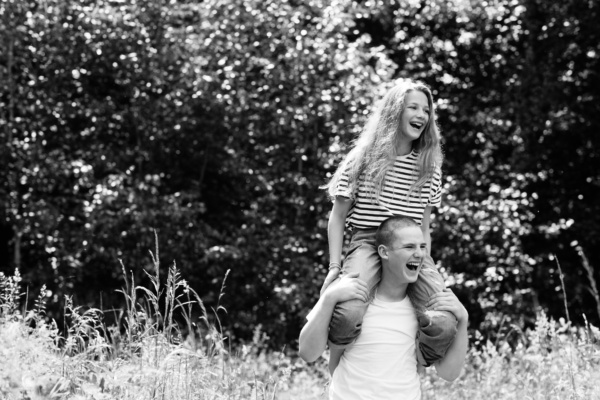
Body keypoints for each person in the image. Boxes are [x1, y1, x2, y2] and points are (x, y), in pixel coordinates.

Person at [321, 79, 457, 371]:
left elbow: (424, 226)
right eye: (413, 107)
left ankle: (414, 364)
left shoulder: (429, 166)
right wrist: (335, 268)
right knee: (347, 315)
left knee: (445, 321)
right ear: (395, 111)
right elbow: (338, 215)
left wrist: (424, 260)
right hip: (368, 242)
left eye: (426, 110)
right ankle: (335, 365)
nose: (422, 115)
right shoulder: (363, 159)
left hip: (409, 247)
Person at [299, 216, 469, 399]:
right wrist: (328, 298)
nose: (420, 254)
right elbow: (308, 353)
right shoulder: (350, 298)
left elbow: (449, 374)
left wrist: (463, 319)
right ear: (384, 252)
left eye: (422, 247)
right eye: (409, 247)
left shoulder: (427, 309)